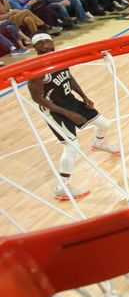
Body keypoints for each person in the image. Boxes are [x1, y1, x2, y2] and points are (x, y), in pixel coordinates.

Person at [26, 34, 119, 200]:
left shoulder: (59, 58)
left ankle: (98, 143)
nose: (45, 45)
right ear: (35, 48)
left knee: (105, 124)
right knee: (71, 147)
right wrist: (68, 113)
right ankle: (61, 188)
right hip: (54, 110)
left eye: (47, 41)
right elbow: (37, 99)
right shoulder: (36, 70)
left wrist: (84, 96)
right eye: (40, 43)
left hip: (71, 101)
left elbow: (69, 78)